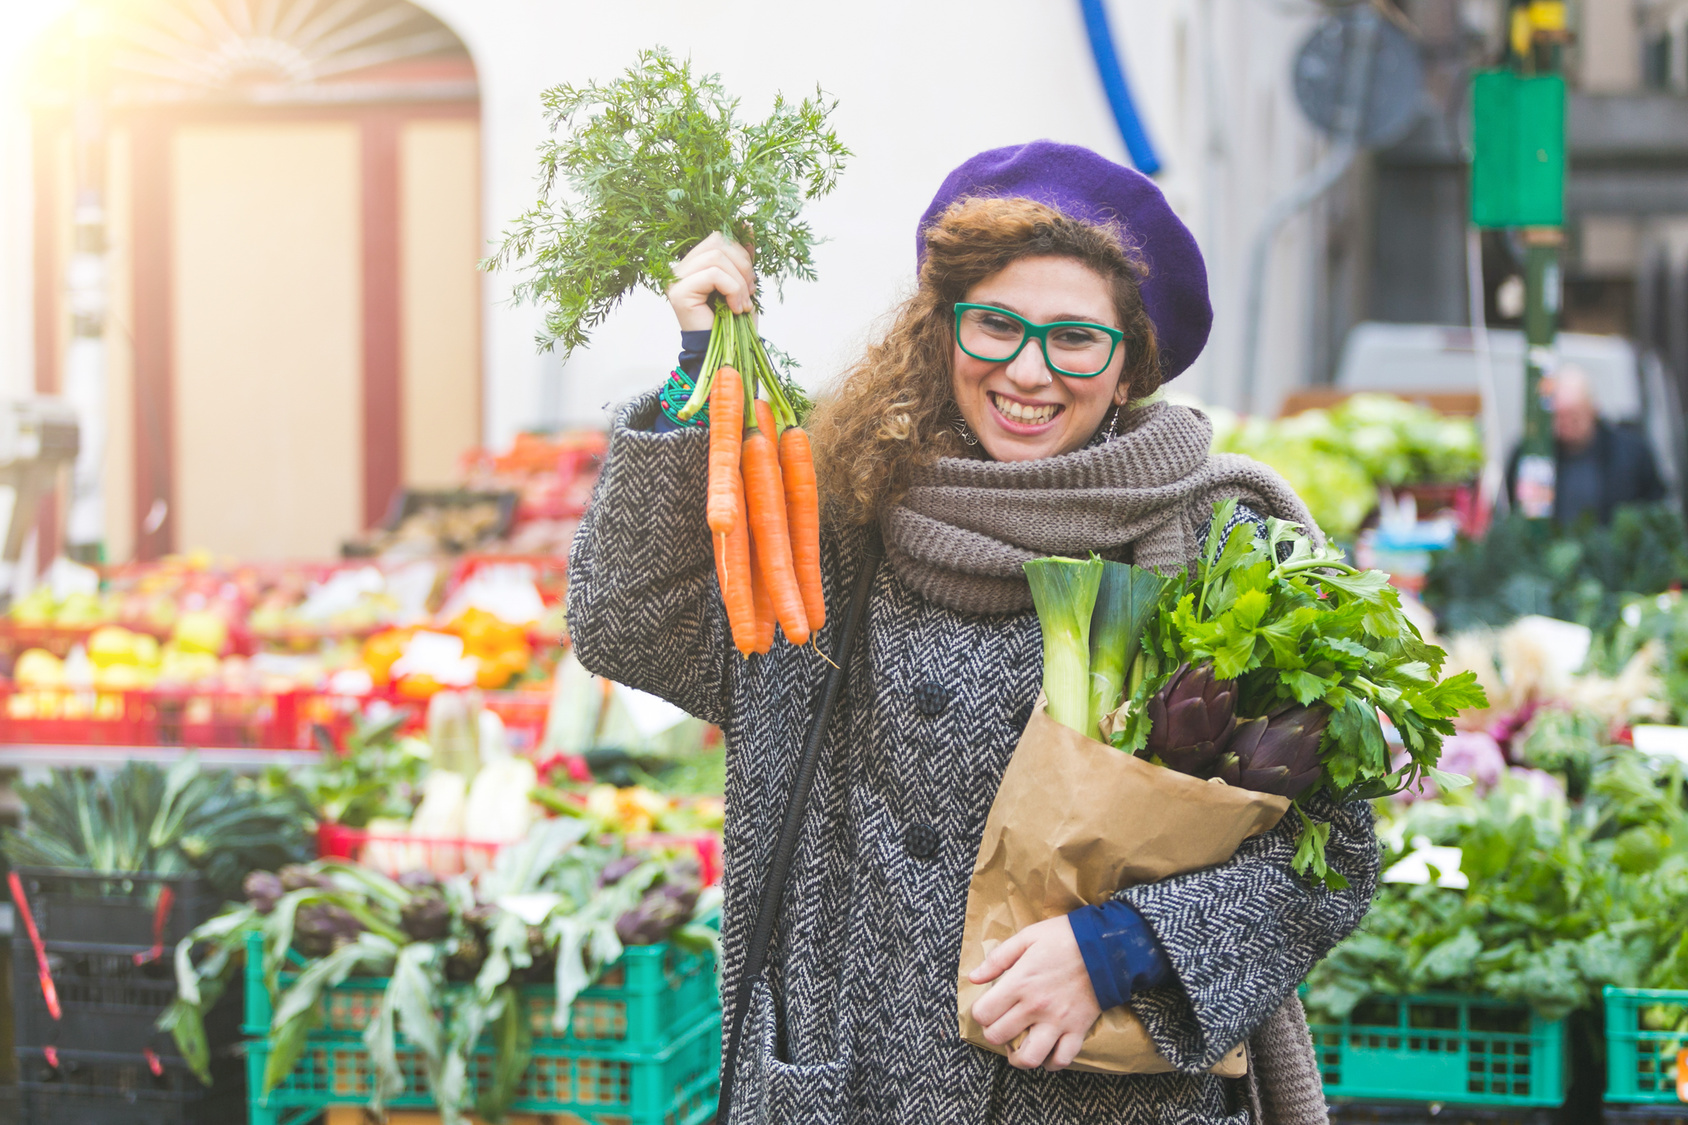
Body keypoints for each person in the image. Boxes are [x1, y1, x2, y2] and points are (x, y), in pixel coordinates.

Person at [567, 141, 1378, 1124]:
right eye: (994, 325)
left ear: (1126, 369)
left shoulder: (1217, 553)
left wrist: (1124, 949)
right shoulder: (843, 519)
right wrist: (702, 374)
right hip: (840, 1086)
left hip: (1099, 1096)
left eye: (1075, 339)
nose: (1028, 372)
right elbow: (632, 627)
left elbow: (1329, 856)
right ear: (942, 336)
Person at [1506, 365, 1664, 526]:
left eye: (1573, 416)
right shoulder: (1531, 454)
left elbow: (1656, 506)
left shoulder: (1631, 452)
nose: (1565, 424)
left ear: (1593, 409)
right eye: (1558, 417)